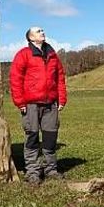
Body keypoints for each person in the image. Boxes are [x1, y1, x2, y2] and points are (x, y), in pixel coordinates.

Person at [9, 26, 68, 185]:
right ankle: (33, 172)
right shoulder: (23, 54)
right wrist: (20, 102)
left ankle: (51, 170)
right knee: (32, 138)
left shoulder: (52, 54)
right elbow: (15, 80)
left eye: (42, 30)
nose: (42, 32)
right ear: (30, 38)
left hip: (50, 104)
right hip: (31, 104)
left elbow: (60, 78)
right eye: (38, 31)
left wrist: (62, 98)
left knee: (50, 138)